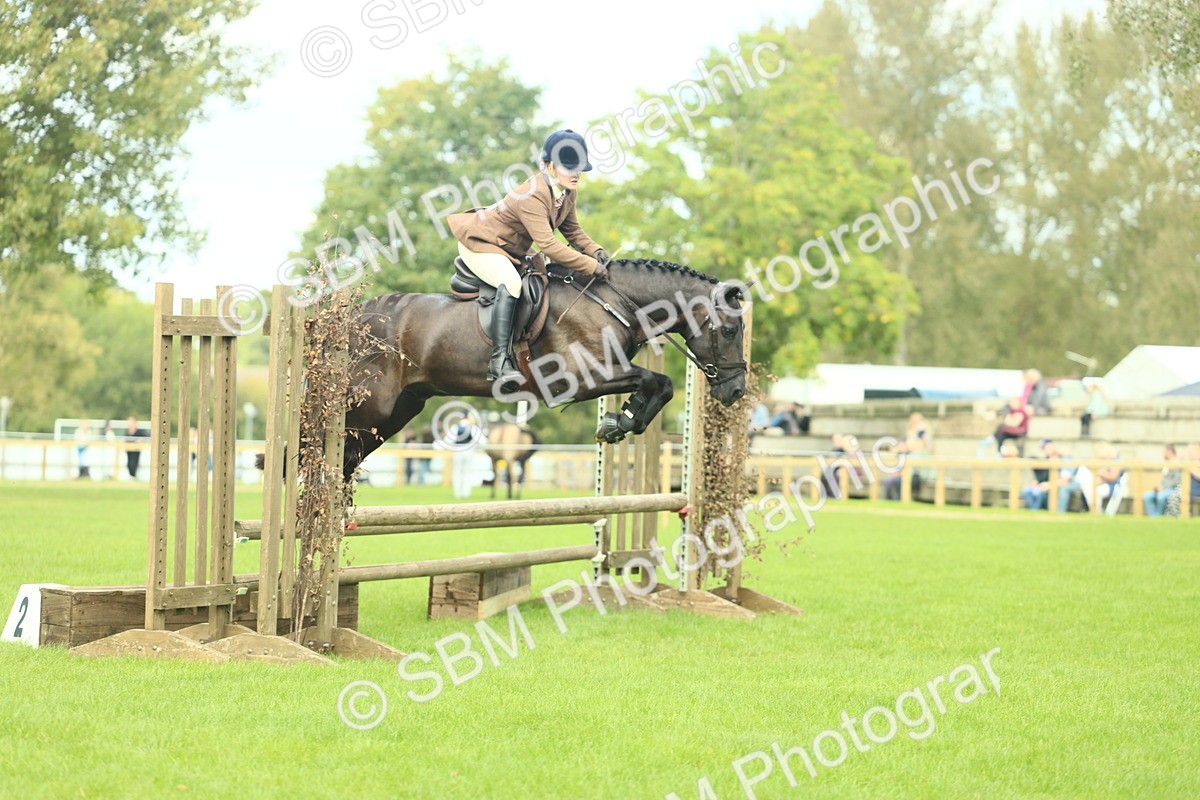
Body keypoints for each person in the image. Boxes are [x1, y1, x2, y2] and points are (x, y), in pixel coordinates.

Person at [447, 129, 610, 392]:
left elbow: (573, 231)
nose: (576, 173)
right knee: (511, 283)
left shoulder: (567, 192)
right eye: (569, 167)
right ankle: (499, 361)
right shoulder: (533, 194)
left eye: (579, 167)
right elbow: (548, 244)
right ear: (548, 166)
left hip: (510, 247)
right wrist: (590, 266)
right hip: (481, 242)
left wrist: (597, 251)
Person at [883, 413, 930, 500]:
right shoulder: (906, 439)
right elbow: (896, 451)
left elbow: (920, 451)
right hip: (903, 472)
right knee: (889, 481)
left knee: (898, 481)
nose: (912, 423)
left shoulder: (922, 435)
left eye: (915, 421)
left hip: (916, 475)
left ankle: (897, 503)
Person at [1143, 443, 1180, 517]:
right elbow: (1164, 479)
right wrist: (1159, 486)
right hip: (1162, 488)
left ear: (1169, 451)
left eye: (1164, 451)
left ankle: (1159, 517)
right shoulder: (1167, 463)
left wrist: (1163, 488)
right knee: (1147, 496)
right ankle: (1153, 518)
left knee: (1161, 497)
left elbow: (1176, 480)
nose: (1163, 453)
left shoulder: (1177, 463)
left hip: (1172, 489)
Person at [448, 413, 480, 499]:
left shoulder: (455, 427)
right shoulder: (472, 427)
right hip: (469, 450)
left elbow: (449, 440)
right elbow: (480, 440)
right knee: (467, 473)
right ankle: (466, 493)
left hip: (458, 450)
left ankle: (458, 494)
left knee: (457, 472)